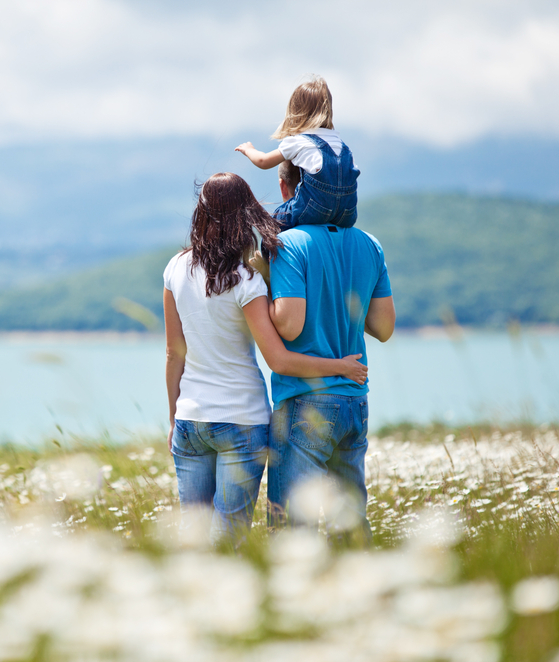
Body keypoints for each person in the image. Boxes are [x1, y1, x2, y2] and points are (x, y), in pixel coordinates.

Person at [163, 172, 368, 546]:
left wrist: (174, 416)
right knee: (230, 541)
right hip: (241, 420)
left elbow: (174, 353)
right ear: (244, 215)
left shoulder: (175, 268)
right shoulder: (247, 280)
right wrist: (340, 366)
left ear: (202, 213)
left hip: (190, 419)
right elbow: (280, 360)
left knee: (191, 539)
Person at [265, 168, 395, 541]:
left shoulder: (288, 244)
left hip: (304, 401)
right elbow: (384, 329)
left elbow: (289, 325)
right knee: (350, 523)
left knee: (292, 526)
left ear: (286, 186)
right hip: (355, 399)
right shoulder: (370, 244)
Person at [234, 76, 359, 231]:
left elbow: (263, 161)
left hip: (315, 209)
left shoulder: (299, 141)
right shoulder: (341, 144)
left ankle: (264, 255)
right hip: (347, 213)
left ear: (295, 112)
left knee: (274, 222)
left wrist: (249, 150)